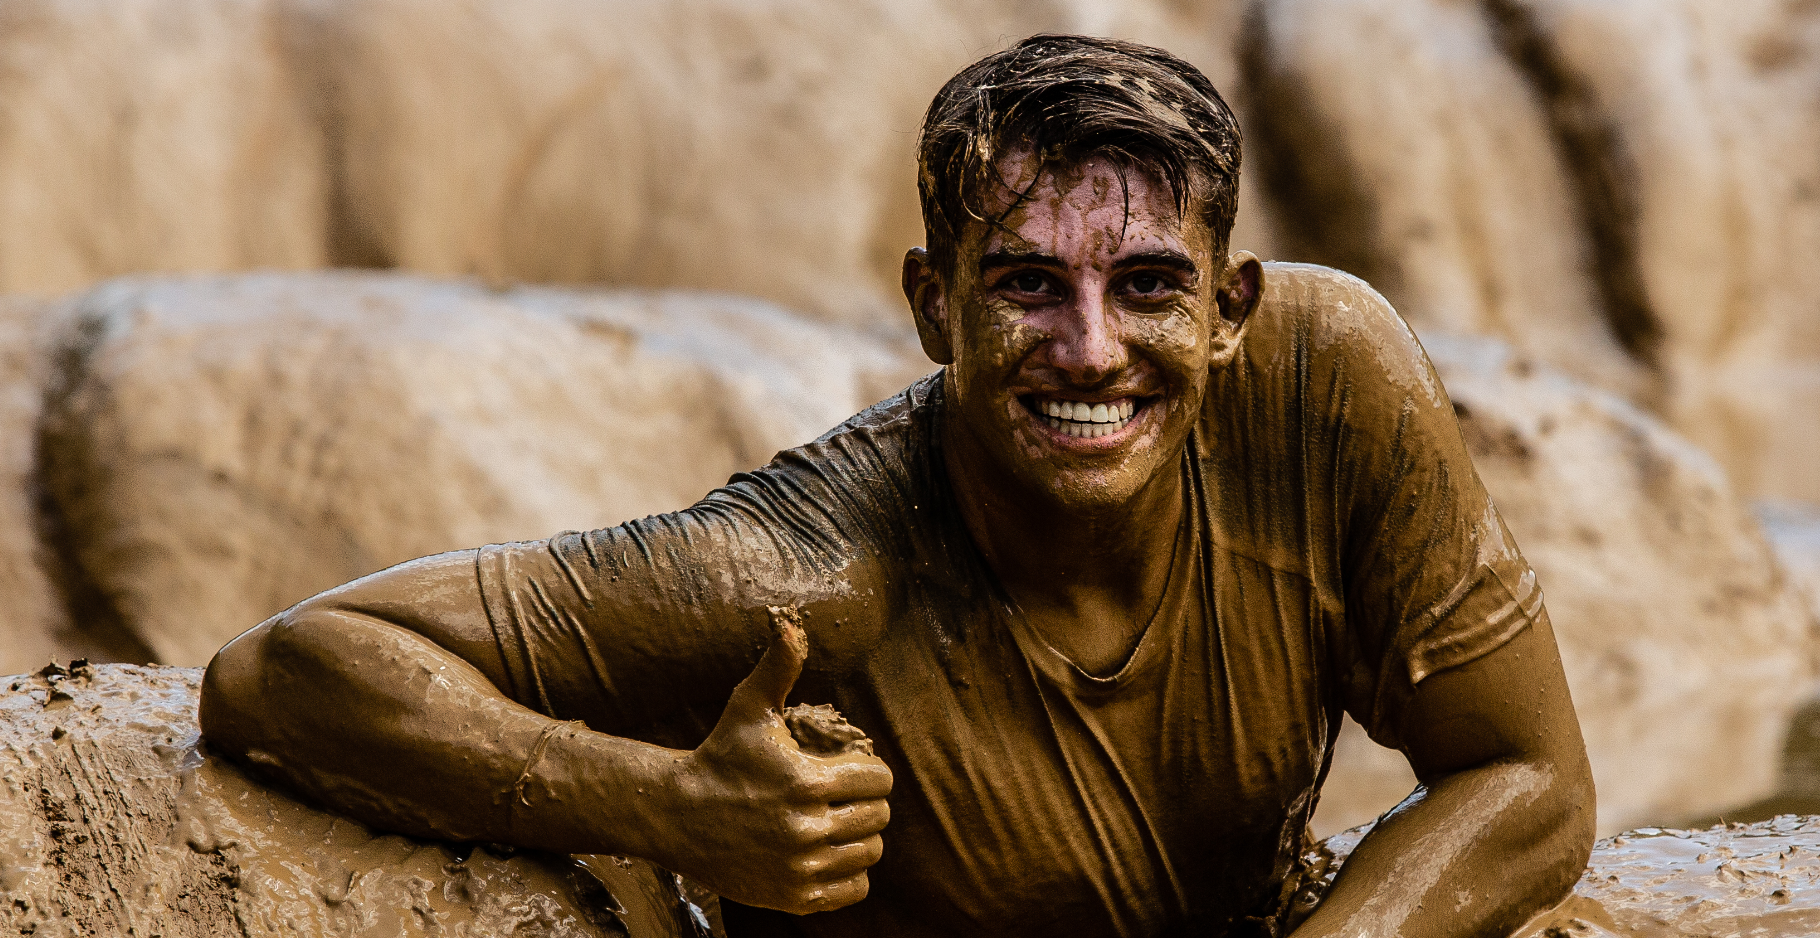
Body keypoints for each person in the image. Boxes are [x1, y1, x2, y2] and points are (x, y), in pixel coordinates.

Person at [200, 34, 1593, 938]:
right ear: (936, 309)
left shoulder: (1328, 380)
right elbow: (285, 671)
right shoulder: (813, 572)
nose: (1093, 348)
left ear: (1232, 308)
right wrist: (665, 806)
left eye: (1149, 288)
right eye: (1028, 284)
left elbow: (1530, 776)